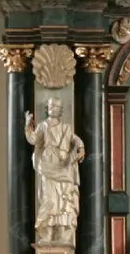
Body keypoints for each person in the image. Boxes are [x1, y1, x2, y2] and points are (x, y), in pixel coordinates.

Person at [25, 99, 86, 244]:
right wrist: (27, 124)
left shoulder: (66, 128)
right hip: (47, 166)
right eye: (51, 105)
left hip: (64, 166)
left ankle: (62, 233)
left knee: (63, 201)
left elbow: (76, 140)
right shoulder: (42, 126)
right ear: (47, 108)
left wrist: (81, 149)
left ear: (61, 110)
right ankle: (46, 232)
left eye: (57, 106)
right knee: (49, 200)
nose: (54, 108)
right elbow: (33, 139)